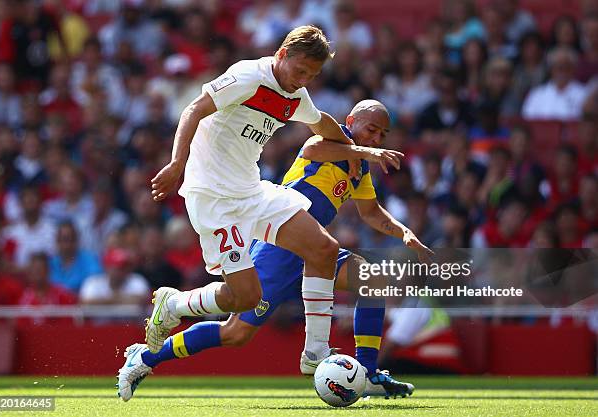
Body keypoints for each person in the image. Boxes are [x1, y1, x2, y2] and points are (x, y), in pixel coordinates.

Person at [118, 100, 433, 401]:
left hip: (314, 250)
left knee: (371, 280)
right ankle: (146, 355)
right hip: (279, 246)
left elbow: (371, 212)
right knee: (235, 333)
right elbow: (312, 148)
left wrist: (405, 233)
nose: (376, 138)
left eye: (382, 135)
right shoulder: (333, 138)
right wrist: (364, 150)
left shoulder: (360, 168)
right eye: (371, 129)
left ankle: (367, 374)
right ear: (351, 122)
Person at [143, 25, 360, 379]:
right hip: (213, 198)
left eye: (313, 75)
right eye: (300, 70)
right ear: (282, 55)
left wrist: (352, 151)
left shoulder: (295, 95)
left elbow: (323, 124)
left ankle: (316, 354)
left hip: (251, 191)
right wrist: (177, 164)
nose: (303, 80)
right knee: (244, 297)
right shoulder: (249, 76)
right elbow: (193, 110)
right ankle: (175, 303)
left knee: (323, 249)